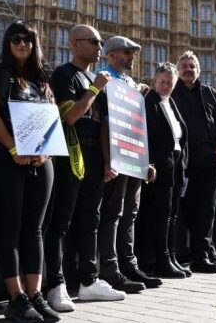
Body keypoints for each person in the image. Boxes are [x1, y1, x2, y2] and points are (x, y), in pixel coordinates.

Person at [0, 21, 60, 323]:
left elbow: (51, 118)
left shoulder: (43, 78)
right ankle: (16, 297)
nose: (22, 43)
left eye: (28, 39)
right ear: (7, 42)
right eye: (16, 38)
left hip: (41, 160)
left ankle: (35, 293)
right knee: (10, 227)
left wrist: (45, 151)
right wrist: (14, 148)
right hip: (8, 158)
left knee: (35, 229)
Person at [44, 25, 123, 312]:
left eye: (101, 42)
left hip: (94, 155)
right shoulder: (63, 75)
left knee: (91, 218)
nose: (99, 46)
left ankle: (89, 282)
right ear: (75, 44)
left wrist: (107, 160)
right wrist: (95, 88)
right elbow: (71, 116)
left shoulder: (94, 77)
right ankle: (56, 284)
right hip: (69, 153)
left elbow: (102, 123)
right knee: (62, 220)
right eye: (94, 42)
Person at [95, 36, 158, 292]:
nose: (132, 57)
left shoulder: (129, 82)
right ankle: (110, 270)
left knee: (130, 212)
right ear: (110, 55)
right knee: (113, 212)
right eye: (126, 52)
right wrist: (108, 160)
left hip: (133, 156)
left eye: (132, 53)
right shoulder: (102, 79)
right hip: (116, 155)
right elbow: (103, 122)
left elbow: (137, 126)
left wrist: (146, 161)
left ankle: (128, 265)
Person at [171, 51, 216, 273]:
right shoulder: (170, 92)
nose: (188, 69)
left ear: (199, 70)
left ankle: (203, 254)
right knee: (185, 211)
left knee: (207, 209)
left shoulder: (210, 93)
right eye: (184, 66)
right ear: (178, 70)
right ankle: (191, 253)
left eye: (192, 66)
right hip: (183, 163)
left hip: (210, 161)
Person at [136, 62, 190, 278]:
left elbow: (180, 136)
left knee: (173, 213)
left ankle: (171, 256)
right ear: (154, 81)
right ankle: (159, 259)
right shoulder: (150, 102)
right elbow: (146, 135)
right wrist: (150, 163)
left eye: (170, 82)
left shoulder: (170, 102)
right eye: (163, 82)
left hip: (176, 165)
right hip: (160, 165)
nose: (166, 86)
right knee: (160, 214)